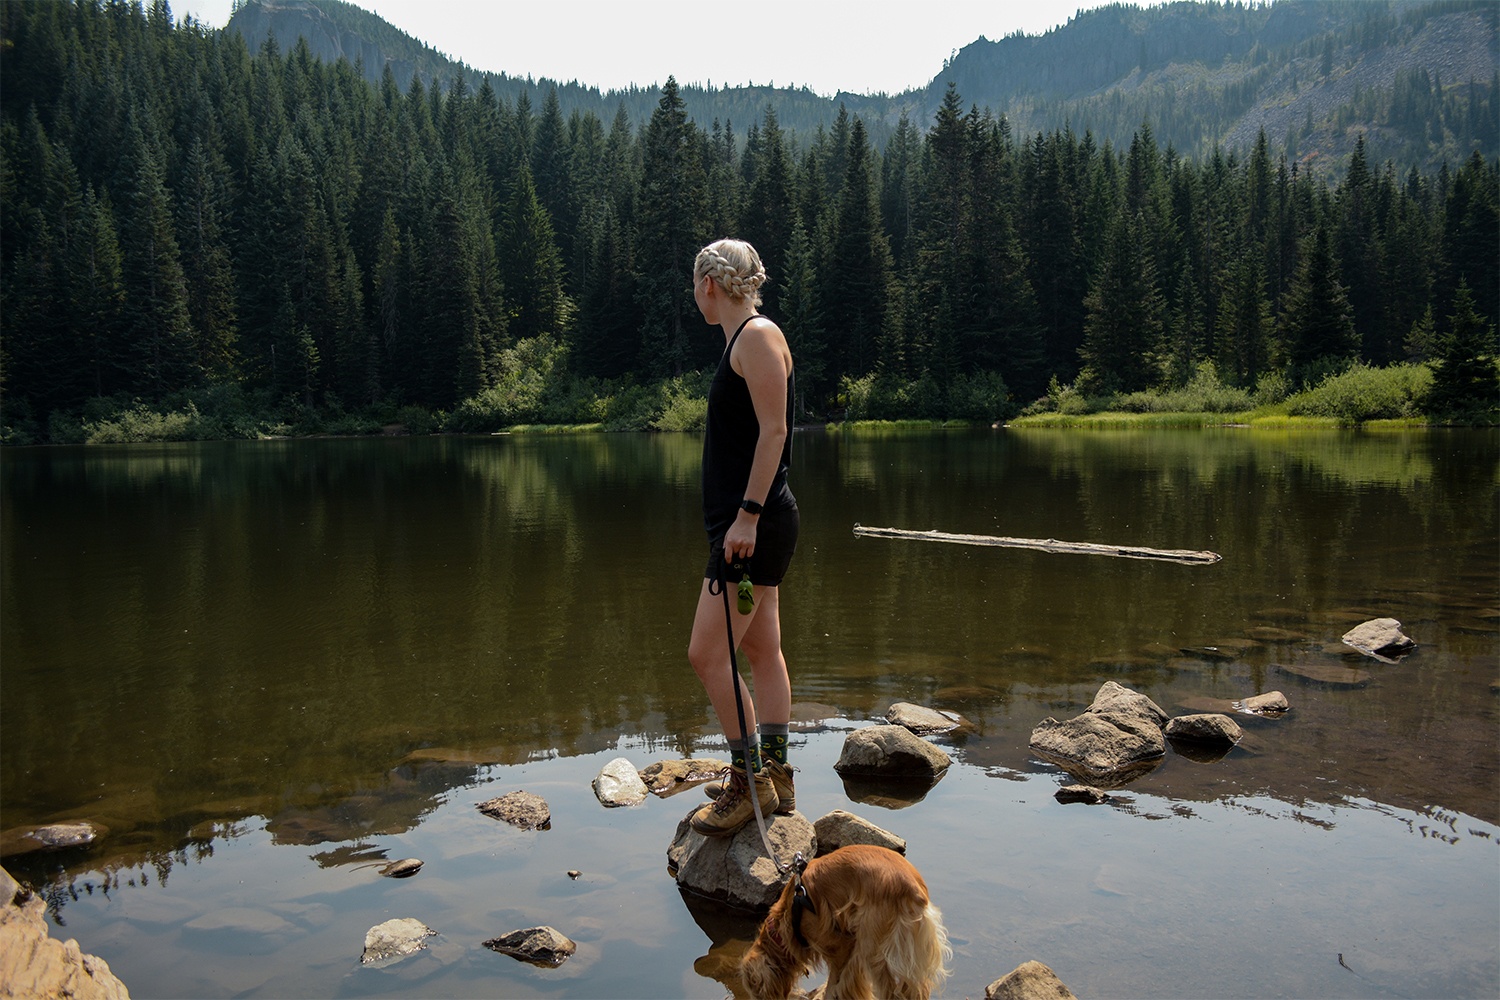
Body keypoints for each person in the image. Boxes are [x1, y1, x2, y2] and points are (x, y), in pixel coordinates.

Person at [686, 239, 799, 838]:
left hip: (749, 529)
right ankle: (776, 772)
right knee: (761, 650)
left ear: (710, 283)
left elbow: (776, 430)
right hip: (751, 526)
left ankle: (748, 779)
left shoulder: (755, 336)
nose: (694, 295)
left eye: (694, 285)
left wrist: (748, 516)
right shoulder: (745, 339)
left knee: (706, 654)